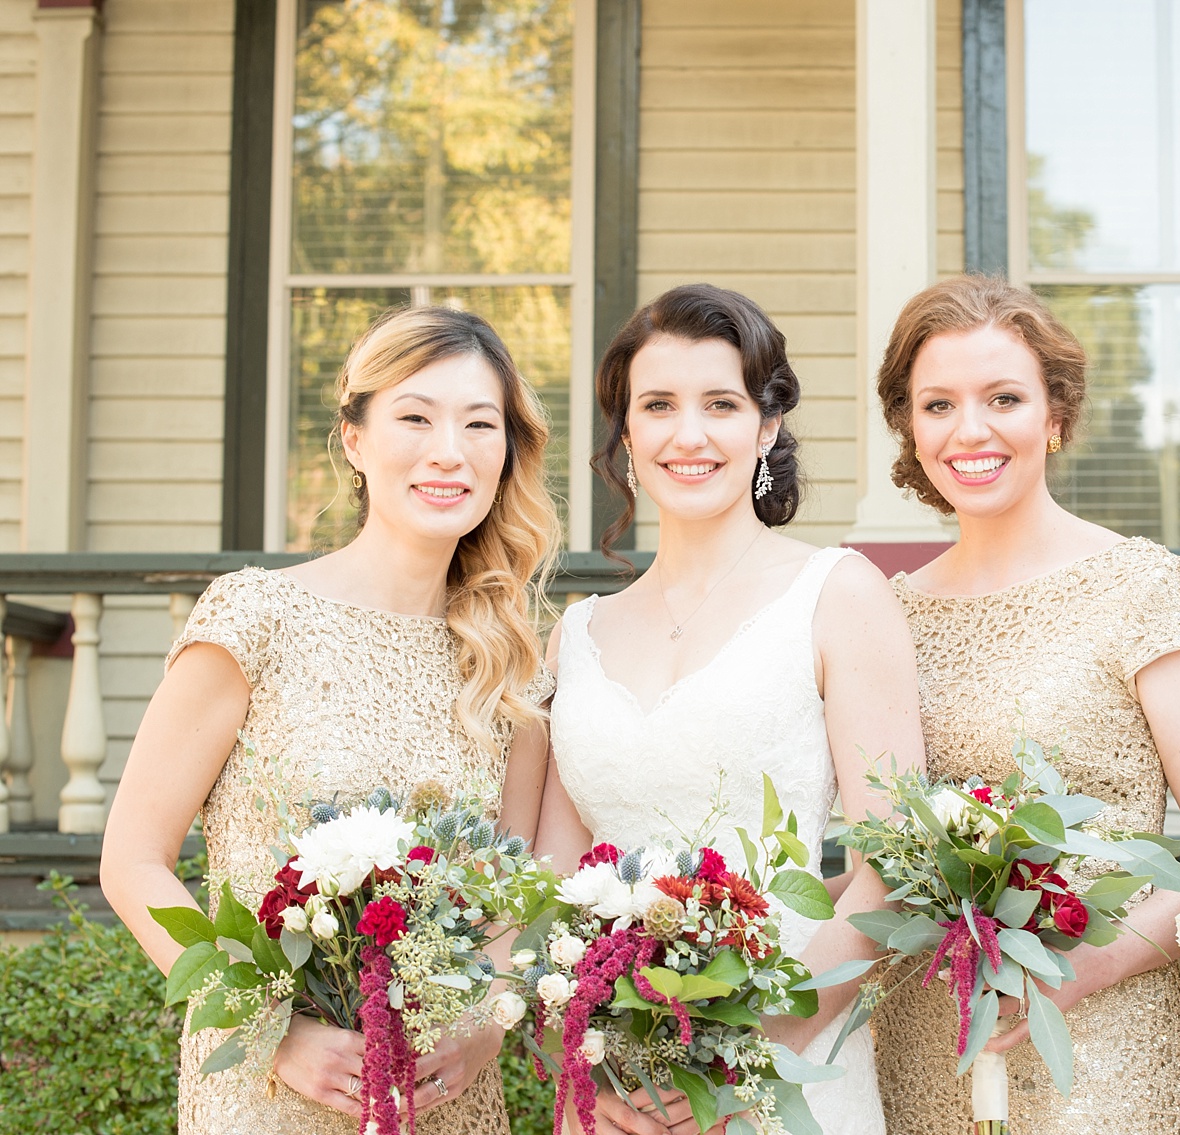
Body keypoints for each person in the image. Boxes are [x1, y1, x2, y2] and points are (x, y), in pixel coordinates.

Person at [101, 306, 561, 1134]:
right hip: (269, 1093)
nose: (447, 450)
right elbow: (132, 861)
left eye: (478, 423)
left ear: (506, 451)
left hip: (441, 1097)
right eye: (414, 417)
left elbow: (517, 897)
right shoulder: (256, 616)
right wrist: (270, 1030)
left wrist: (485, 1025)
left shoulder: (510, 660)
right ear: (354, 438)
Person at [867, 275, 1180, 1135]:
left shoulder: (1145, 589)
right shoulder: (884, 614)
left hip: (1097, 1036)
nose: (970, 429)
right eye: (938, 404)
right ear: (911, 428)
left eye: (1003, 397)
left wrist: (1092, 964)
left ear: (1054, 413)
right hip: (924, 1030)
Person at [535, 284, 924, 1135]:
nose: (689, 433)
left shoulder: (837, 593)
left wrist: (748, 1050)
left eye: (721, 403)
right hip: (619, 1095)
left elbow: (893, 866)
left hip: (787, 1071)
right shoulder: (579, 634)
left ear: (767, 425)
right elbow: (554, 892)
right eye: (659, 405)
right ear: (627, 435)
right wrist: (590, 1061)